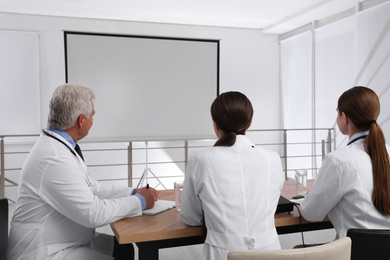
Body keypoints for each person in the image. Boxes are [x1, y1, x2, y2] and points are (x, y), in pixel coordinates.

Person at [7, 83, 159, 260]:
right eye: (92, 116)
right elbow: (93, 214)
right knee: (122, 253)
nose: (93, 121)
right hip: (43, 251)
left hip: (64, 239)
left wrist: (132, 192)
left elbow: (90, 187)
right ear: (81, 120)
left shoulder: (59, 145)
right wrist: (139, 201)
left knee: (123, 249)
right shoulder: (55, 158)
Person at [180, 91, 284, 260]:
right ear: (249, 123)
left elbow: (190, 217)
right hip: (270, 252)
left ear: (215, 124)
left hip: (222, 254)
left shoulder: (200, 160)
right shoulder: (272, 158)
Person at [300, 86, 390, 239]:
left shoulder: (338, 161)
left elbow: (310, 213)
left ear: (344, 117)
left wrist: (310, 195)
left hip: (354, 253)